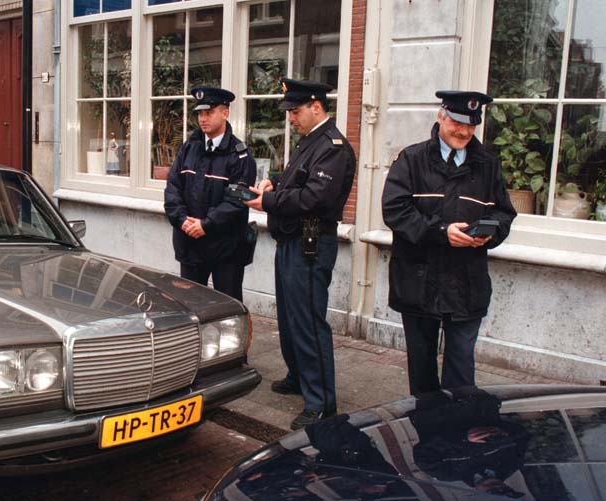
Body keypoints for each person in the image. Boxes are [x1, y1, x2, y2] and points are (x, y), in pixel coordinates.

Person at [382, 90, 517, 396]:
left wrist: (490, 233)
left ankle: (459, 437)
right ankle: (427, 434)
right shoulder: (411, 159)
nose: (464, 131)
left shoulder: (488, 164)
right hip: (419, 283)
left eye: (471, 125)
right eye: (457, 122)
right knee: (422, 372)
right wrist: (440, 232)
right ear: (441, 116)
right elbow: (395, 210)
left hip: (466, 284)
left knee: (461, 372)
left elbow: (504, 213)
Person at [244, 79, 356, 430]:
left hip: (310, 244)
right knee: (292, 318)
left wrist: (269, 201)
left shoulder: (333, 146)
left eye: (295, 111)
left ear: (316, 106)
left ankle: (321, 403)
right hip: (292, 241)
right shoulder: (310, 143)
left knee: (308, 321)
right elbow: (297, 182)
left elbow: (315, 198)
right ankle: (299, 375)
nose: (291, 118)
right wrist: (273, 183)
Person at [164, 86, 256, 301]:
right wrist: (182, 219)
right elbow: (172, 188)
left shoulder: (240, 156)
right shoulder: (189, 148)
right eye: (200, 114)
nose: (203, 119)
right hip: (191, 246)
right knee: (191, 307)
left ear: (225, 113)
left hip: (226, 250)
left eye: (209, 112)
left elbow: (237, 200)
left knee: (227, 310)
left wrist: (206, 225)